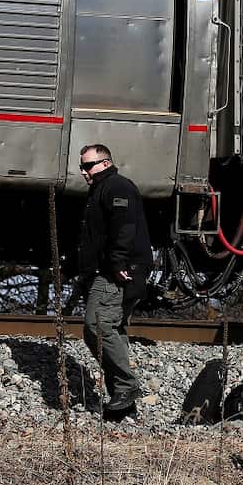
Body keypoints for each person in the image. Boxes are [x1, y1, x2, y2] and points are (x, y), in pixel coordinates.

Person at [78, 143, 153, 418]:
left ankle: (126, 386)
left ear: (106, 163)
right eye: (82, 166)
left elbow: (125, 226)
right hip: (115, 268)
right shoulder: (101, 188)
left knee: (97, 324)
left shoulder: (116, 187)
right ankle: (122, 401)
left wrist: (118, 261)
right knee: (114, 327)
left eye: (88, 165)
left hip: (117, 271)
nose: (84, 171)